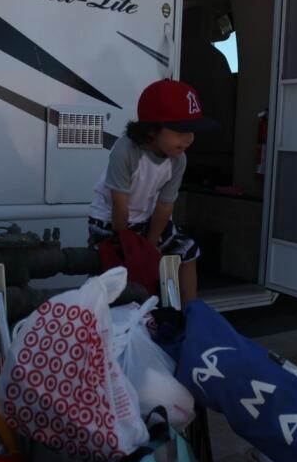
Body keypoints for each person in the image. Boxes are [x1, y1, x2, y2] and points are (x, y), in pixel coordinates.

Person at [87, 79, 218, 302]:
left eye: (192, 131)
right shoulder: (126, 150)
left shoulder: (178, 159)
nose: (189, 139)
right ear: (150, 130)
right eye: (180, 131)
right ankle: (106, 314)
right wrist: (128, 245)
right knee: (114, 265)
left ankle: (192, 314)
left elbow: (165, 204)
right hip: (110, 221)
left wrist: (150, 244)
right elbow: (119, 204)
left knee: (188, 249)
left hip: (146, 220)